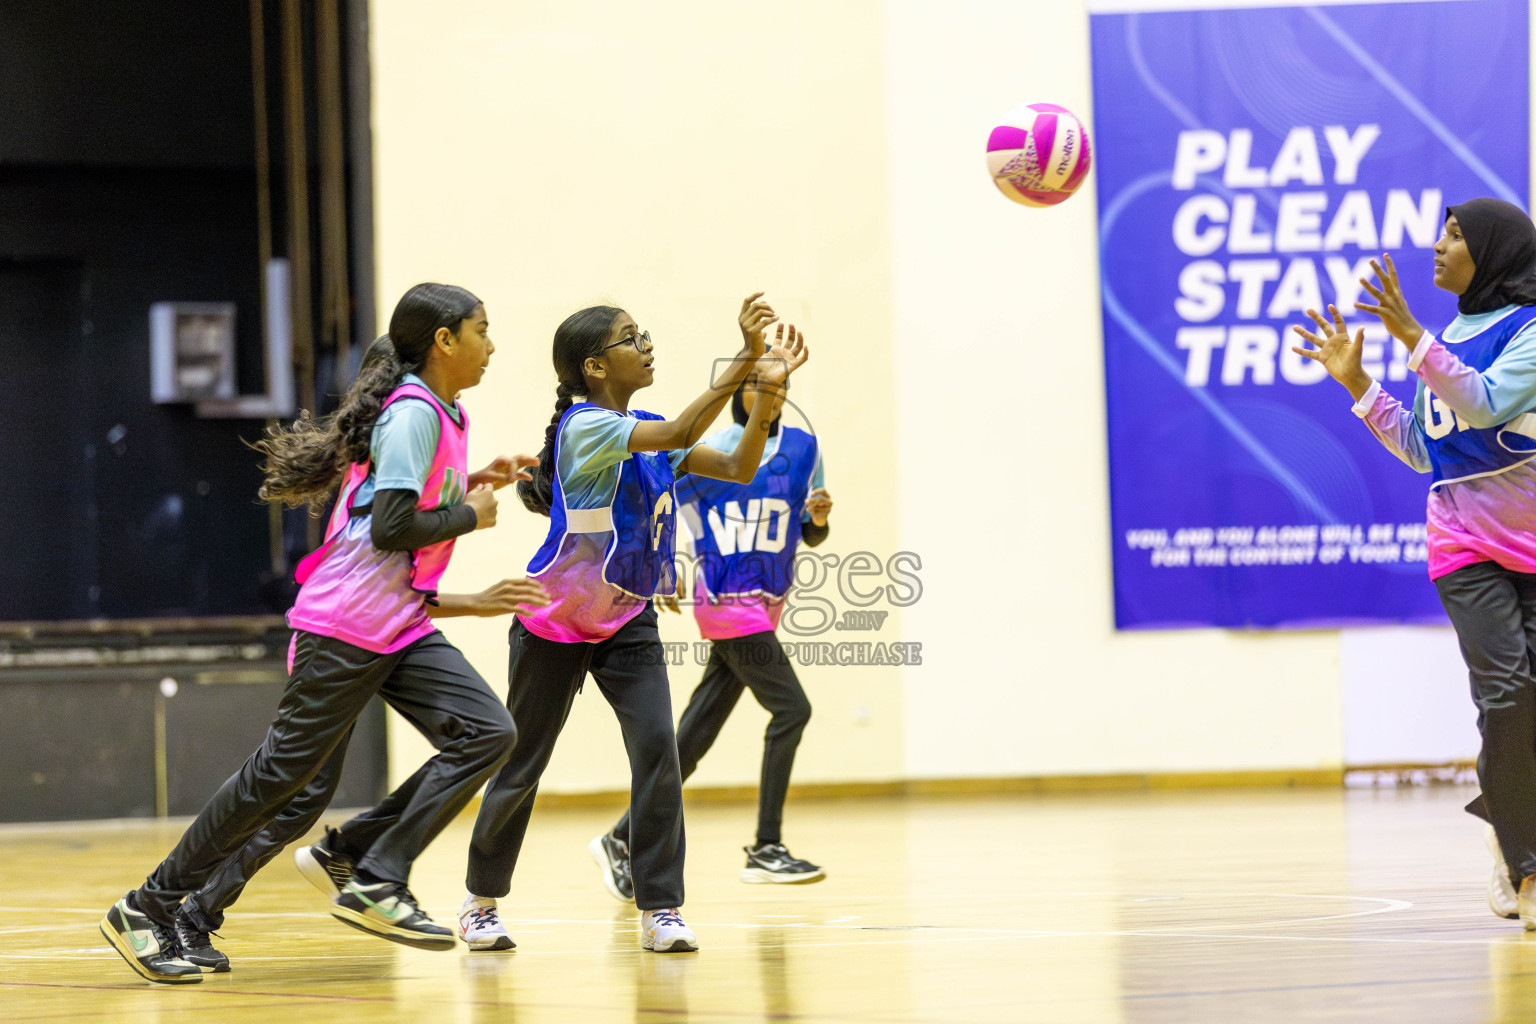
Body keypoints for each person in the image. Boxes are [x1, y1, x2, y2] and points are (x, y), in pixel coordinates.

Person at [101, 284, 544, 983]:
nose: (493, 345)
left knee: (487, 732)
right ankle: (147, 907)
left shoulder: (443, 415)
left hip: (394, 629)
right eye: (483, 330)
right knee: (280, 780)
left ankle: (369, 866)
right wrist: (473, 517)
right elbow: (397, 529)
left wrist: (470, 490)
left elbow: (398, 531)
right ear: (444, 342)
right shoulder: (411, 415)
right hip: (345, 629)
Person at [458, 295, 809, 955]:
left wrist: (765, 394)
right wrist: (744, 359)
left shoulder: (644, 430)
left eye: (642, 333)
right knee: (523, 762)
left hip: (627, 621)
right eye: (630, 338)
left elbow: (739, 466)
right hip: (553, 621)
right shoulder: (585, 427)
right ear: (594, 367)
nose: (646, 343)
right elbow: (680, 432)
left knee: (659, 754)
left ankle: (662, 907)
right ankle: (480, 902)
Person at [1292, 198, 1536, 927]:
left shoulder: (1527, 334)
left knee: (1530, 706)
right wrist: (1359, 387)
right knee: (1508, 692)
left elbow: (1486, 402)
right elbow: (1427, 451)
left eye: (1456, 235)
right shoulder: (1447, 336)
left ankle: (1505, 819)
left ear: (1493, 254)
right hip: (1463, 546)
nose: (1438, 245)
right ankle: (1527, 869)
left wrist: (1409, 334)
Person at [592, 372, 832, 899]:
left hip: (766, 604)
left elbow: (811, 533)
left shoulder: (805, 448)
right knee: (792, 709)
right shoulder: (716, 451)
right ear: (741, 394)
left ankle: (620, 838)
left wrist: (817, 520)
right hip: (725, 600)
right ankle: (766, 847)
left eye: (782, 385)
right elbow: (658, 503)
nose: (773, 394)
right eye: (761, 385)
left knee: (692, 740)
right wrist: (660, 565)